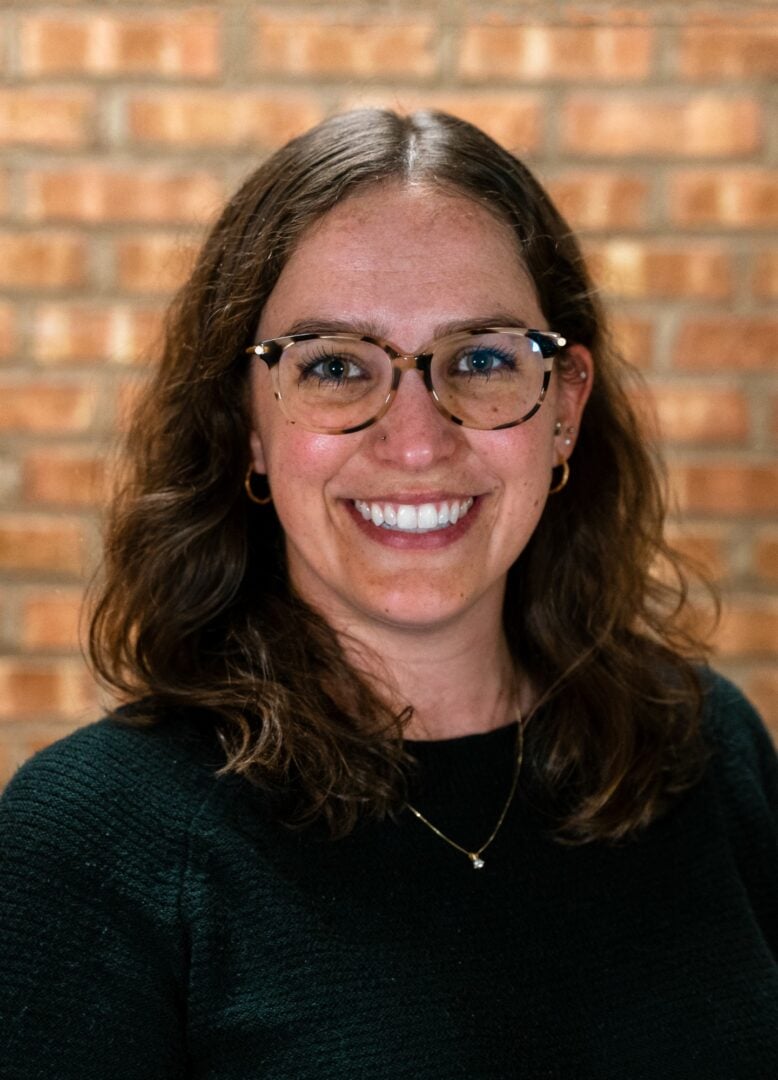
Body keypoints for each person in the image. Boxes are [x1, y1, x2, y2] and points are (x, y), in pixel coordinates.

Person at [0, 109, 776, 1079]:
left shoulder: (702, 745)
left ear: (565, 408)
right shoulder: (90, 840)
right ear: (244, 419)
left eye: (483, 360)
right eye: (332, 366)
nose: (415, 442)